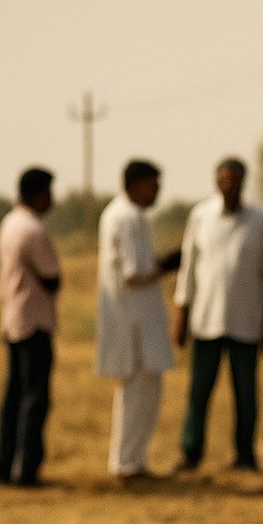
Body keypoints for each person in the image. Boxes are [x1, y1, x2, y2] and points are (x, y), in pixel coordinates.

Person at [173, 157, 263, 472]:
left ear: (244, 182)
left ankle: (245, 454)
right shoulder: (201, 216)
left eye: (235, 180)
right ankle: (191, 452)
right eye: (224, 179)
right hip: (206, 320)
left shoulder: (259, 221)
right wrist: (181, 314)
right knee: (199, 391)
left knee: (246, 394)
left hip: (245, 320)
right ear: (216, 181)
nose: (229, 185)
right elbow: (188, 268)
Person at [96, 160, 180, 481]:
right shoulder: (128, 217)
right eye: (153, 186)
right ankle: (127, 463)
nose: (157, 193)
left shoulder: (117, 214)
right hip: (134, 321)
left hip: (131, 317)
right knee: (138, 393)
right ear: (136, 184)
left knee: (141, 392)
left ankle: (132, 460)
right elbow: (134, 273)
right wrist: (168, 264)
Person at [0, 167, 61, 487]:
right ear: (38, 193)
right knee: (34, 398)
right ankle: (26, 470)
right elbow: (52, 277)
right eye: (49, 192)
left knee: (14, 395)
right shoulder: (33, 230)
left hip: (12, 318)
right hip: (33, 320)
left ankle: (3, 465)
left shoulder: (9, 223)